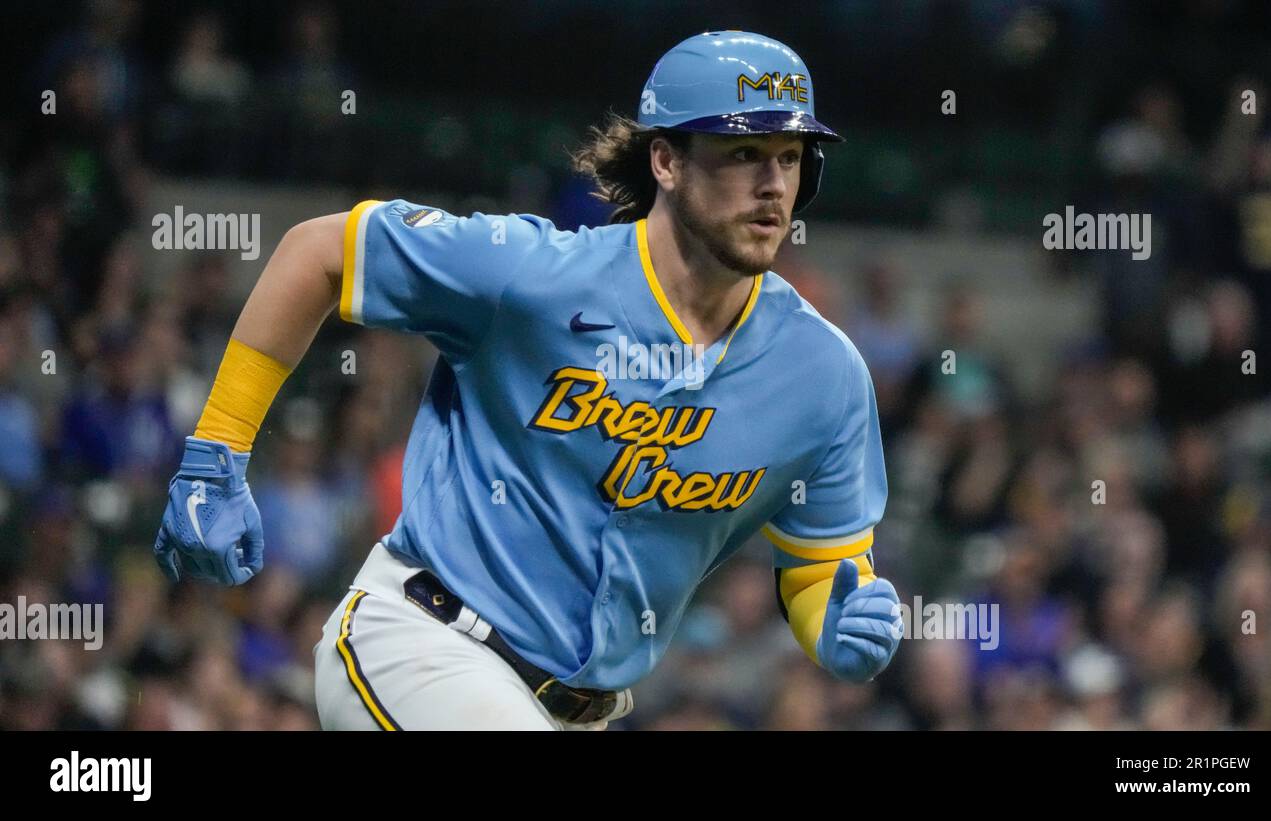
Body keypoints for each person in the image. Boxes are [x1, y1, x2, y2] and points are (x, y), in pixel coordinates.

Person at [153, 30, 903, 730]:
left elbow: (820, 563)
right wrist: (218, 448)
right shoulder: (532, 276)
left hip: (579, 711)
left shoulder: (822, 375)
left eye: (791, 156)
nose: (773, 184)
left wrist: (830, 620)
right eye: (744, 153)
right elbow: (318, 252)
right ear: (666, 161)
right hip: (422, 640)